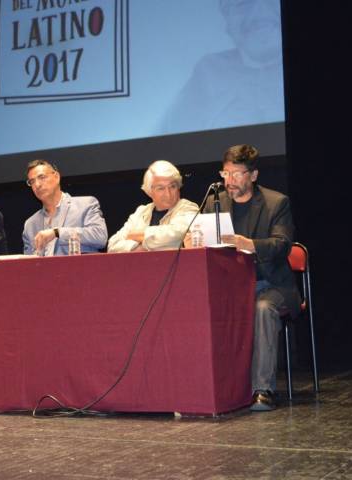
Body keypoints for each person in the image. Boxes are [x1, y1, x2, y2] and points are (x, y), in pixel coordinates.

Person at [203, 144, 299, 412]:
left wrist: (251, 244)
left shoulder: (276, 202)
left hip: (271, 284)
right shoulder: (214, 201)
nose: (229, 181)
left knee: (262, 309)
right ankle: (219, 390)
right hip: (231, 287)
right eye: (225, 173)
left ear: (253, 176)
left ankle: (262, 389)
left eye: (236, 174)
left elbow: (282, 244)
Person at [161, 0, 283, 134]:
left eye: (271, 0)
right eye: (242, 4)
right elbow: (176, 137)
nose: (259, 13)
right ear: (228, 24)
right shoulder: (208, 71)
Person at [108, 161, 199, 253]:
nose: (168, 194)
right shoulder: (141, 211)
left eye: (172, 186)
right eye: (161, 188)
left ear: (178, 187)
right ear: (149, 191)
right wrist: (140, 248)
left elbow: (177, 235)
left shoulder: (189, 208)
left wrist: (136, 236)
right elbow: (113, 245)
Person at [22, 160, 107, 255]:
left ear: (56, 177)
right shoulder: (30, 224)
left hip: (80, 268)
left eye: (42, 177)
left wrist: (57, 233)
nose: (37, 185)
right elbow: (28, 264)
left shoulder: (86, 204)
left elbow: (100, 237)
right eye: (32, 181)